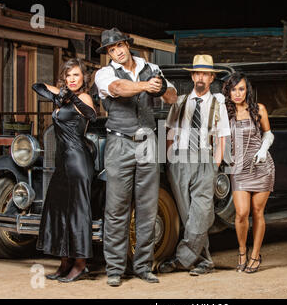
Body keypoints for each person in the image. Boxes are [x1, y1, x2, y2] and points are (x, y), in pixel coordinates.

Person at [94, 28, 177, 287]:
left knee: (147, 207)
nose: (117, 51)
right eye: (111, 49)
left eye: (119, 45)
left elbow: (172, 97)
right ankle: (115, 269)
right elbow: (118, 89)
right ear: (108, 53)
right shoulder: (104, 73)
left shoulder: (151, 67)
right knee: (117, 208)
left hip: (147, 142)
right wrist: (145, 85)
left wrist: (161, 86)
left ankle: (143, 266)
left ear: (127, 45)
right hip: (119, 141)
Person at [159, 55, 230, 276]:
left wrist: (215, 165)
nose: (200, 77)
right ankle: (205, 262)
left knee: (202, 212)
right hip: (179, 160)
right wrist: (170, 159)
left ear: (211, 78)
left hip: (204, 159)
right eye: (197, 73)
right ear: (192, 76)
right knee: (188, 215)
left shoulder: (218, 104)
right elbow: (169, 131)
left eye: (205, 74)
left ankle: (181, 259)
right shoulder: (179, 102)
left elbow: (222, 137)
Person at [33, 58, 97, 282]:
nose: (72, 79)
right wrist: (61, 93)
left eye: (76, 75)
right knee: (59, 211)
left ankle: (80, 265)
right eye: (68, 75)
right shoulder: (62, 98)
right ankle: (64, 263)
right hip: (62, 162)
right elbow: (38, 86)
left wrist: (70, 97)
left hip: (78, 161)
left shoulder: (84, 97)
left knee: (77, 212)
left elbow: (91, 115)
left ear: (83, 78)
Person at [222, 73, 275, 273]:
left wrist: (263, 151)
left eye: (241, 89)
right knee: (242, 212)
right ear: (228, 91)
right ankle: (242, 251)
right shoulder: (225, 112)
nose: (237, 93)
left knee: (257, 212)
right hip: (238, 168)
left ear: (247, 90)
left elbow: (268, 134)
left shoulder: (258, 109)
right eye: (234, 89)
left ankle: (255, 255)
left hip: (261, 167)